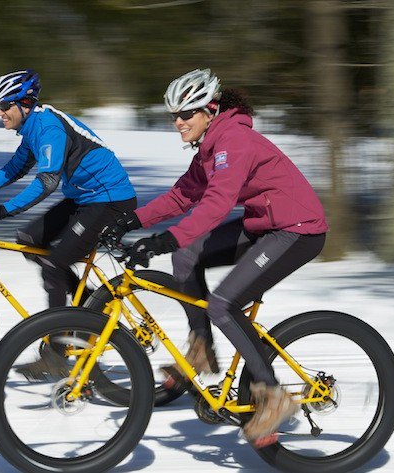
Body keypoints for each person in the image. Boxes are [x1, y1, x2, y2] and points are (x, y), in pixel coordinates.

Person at [103, 69, 328, 446]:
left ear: (209, 110)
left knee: (223, 303)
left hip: (297, 230)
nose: (178, 122)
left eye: (185, 114)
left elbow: (216, 204)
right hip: (264, 224)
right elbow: (182, 196)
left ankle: (272, 396)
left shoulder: (232, 141)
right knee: (186, 257)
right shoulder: (210, 145)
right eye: (174, 115)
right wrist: (132, 220)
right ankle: (201, 350)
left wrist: (164, 239)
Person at [0, 70, 137, 378]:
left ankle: (56, 354)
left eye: (5, 106)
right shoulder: (31, 128)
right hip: (85, 199)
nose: (0, 113)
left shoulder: (48, 128)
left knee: (54, 266)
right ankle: (89, 308)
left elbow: (47, 182)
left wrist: (2, 210)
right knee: (30, 239)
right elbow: (15, 168)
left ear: (24, 104)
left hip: (110, 201)